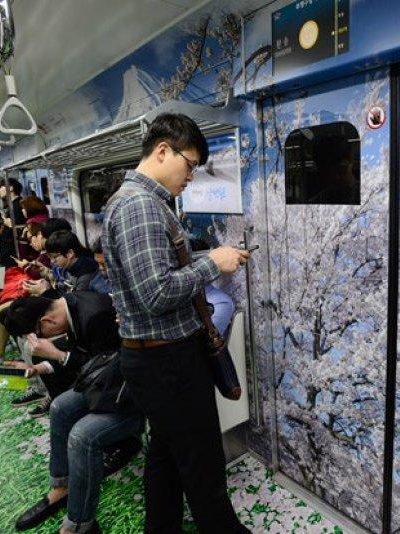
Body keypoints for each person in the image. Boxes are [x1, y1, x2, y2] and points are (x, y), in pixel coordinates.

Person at [102, 112, 250, 533]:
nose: (191, 177)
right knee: (202, 462)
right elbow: (156, 294)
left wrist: (208, 257)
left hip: (157, 360)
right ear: (163, 151)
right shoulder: (140, 207)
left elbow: (158, 271)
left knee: (166, 455)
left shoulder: (137, 202)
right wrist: (213, 266)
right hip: (168, 362)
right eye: (189, 165)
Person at [4, 295, 142, 533]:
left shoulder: (97, 316)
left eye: (41, 334)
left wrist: (57, 355)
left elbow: (105, 369)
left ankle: (79, 525)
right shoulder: (70, 306)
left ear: (47, 321)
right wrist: (41, 365)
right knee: (60, 407)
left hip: (129, 391)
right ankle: (62, 486)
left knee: (82, 436)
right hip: (107, 384)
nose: (44, 340)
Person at [0, 218, 71, 374]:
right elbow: (51, 276)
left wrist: (35, 274)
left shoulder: (59, 256)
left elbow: (59, 287)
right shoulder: (52, 255)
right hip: (45, 292)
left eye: (37, 235)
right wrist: (39, 270)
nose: (34, 239)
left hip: (50, 298)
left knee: (5, 309)